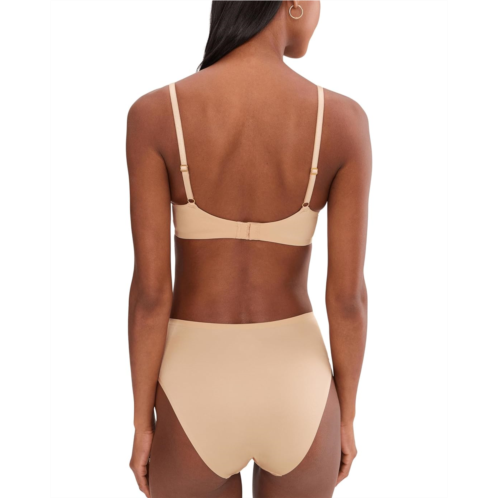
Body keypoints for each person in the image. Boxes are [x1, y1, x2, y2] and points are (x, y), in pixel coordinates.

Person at [126, 1, 371, 497]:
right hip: (299, 388)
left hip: (194, 382)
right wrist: (345, 417)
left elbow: (151, 296)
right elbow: (348, 300)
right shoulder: (343, 120)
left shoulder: (155, 114)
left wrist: (142, 424)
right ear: (293, 3)